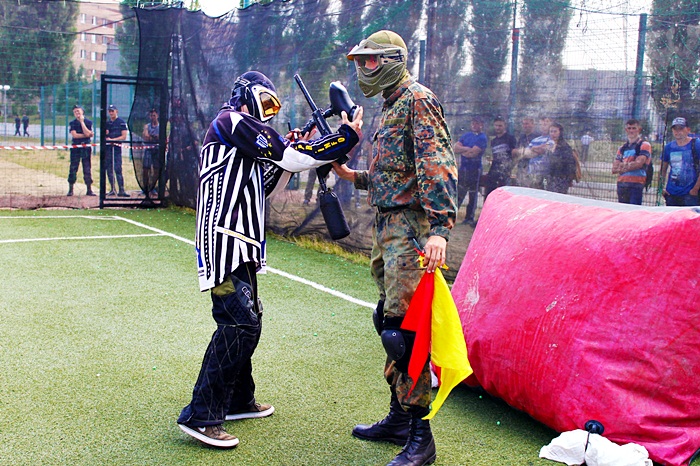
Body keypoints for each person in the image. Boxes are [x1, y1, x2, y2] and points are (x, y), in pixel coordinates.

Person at [177, 71, 363, 449]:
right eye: (265, 102)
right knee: (238, 322)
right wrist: (345, 136)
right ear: (245, 95)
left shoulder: (241, 138)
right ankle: (201, 415)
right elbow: (292, 157)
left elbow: (270, 182)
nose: (268, 113)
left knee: (249, 321)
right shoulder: (231, 120)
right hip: (223, 242)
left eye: (273, 107)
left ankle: (237, 400)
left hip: (240, 243)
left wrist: (301, 150)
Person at [335, 30, 457, 466]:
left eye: (370, 61)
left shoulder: (418, 99)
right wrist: (353, 177)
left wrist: (440, 229)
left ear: (392, 60)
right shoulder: (390, 103)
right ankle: (399, 419)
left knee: (405, 333)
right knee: (387, 321)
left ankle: (421, 438)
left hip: (411, 230)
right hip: (387, 227)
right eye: (360, 62)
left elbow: (436, 165)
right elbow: (395, 173)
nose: (364, 69)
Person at [454, 115, 487, 226]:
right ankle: (453, 215)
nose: (474, 125)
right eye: (473, 123)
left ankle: (469, 217)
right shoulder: (466, 135)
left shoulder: (482, 138)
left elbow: (472, 153)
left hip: (475, 169)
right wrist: (466, 149)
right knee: (459, 192)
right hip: (463, 169)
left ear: (481, 125)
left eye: (477, 123)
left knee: (473, 194)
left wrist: (464, 151)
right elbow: (455, 148)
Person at [660, 116, 700, 206]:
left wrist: (695, 189)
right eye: (675, 129)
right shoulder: (669, 147)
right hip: (671, 193)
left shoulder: (696, 144)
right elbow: (663, 169)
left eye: (681, 128)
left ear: (688, 130)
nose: (678, 132)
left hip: (690, 193)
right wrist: (661, 188)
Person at [612, 119, 651, 205]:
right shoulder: (622, 148)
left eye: (634, 128)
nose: (631, 131)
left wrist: (622, 166)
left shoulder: (644, 145)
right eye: (629, 128)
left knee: (634, 210)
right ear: (626, 130)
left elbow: (639, 163)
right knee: (622, 209)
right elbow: (614, 169)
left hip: (636, 184)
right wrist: (630, 165)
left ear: (639, 129)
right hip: (622, 184)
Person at [484, 116, 516, 198]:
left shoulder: (510, 138)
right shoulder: (493, 141)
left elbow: (514, 154)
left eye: (500, 126)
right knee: (489, 193)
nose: (498, 128)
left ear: (504, 126)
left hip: (504, 170)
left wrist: (510, 168)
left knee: (503, 194)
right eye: (496, 125)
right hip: (494, 170)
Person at [67, 105, 95, 196]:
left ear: (82, 112)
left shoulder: (88, 122)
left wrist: (82, 122)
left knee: (87, 168)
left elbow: (88, 133)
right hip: (76, 148)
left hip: (86, 147)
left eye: (78, 111)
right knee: (73, 167)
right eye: (75, 112)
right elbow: (75, 135)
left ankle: (89, 189)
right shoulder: (72, 123)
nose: (77, 113)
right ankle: (71, 189)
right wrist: (87, 135)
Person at [104, 104, 130, 197]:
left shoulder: (121, 122)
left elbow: (123, 136)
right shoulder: (107, 123)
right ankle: (112, 189)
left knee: (118, 168)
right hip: (108, 149)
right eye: (110, 111)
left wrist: (113, 140)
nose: (111, 113)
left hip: (117, 148)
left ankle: (121, 190)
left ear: (116, 111)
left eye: (113, 111)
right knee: (109, 169)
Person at [543, 122, 577, 194]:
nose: (553, 134)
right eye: (551, 131)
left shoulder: (564, 147)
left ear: (560, 132)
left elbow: (570, 164)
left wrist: (568, 179)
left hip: (561, 179)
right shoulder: (549, 145)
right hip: (550, 178)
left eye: (555, 131)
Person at [513, 116, 539, 187]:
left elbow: (535, 152)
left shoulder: (537, 136)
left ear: (533, 124)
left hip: (533, 168)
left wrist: (523, 152)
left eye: (527, 124)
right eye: (524, 124)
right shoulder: (522, 136)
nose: (525, 126)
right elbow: (516, 151)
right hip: (521, 166)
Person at [141, 108, 161, 196]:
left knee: (156, 169)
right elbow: (146, 136)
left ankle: (153, 187)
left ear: (157, 116)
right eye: (151, 115)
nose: (153, 117)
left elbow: (160, 137)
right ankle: (145, 188)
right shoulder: (147, 126)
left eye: (154, 115)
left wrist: (153, 137)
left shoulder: (160, 127)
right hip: (148, 149)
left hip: (157, 150)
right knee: (146, 169)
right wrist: (153, 137)